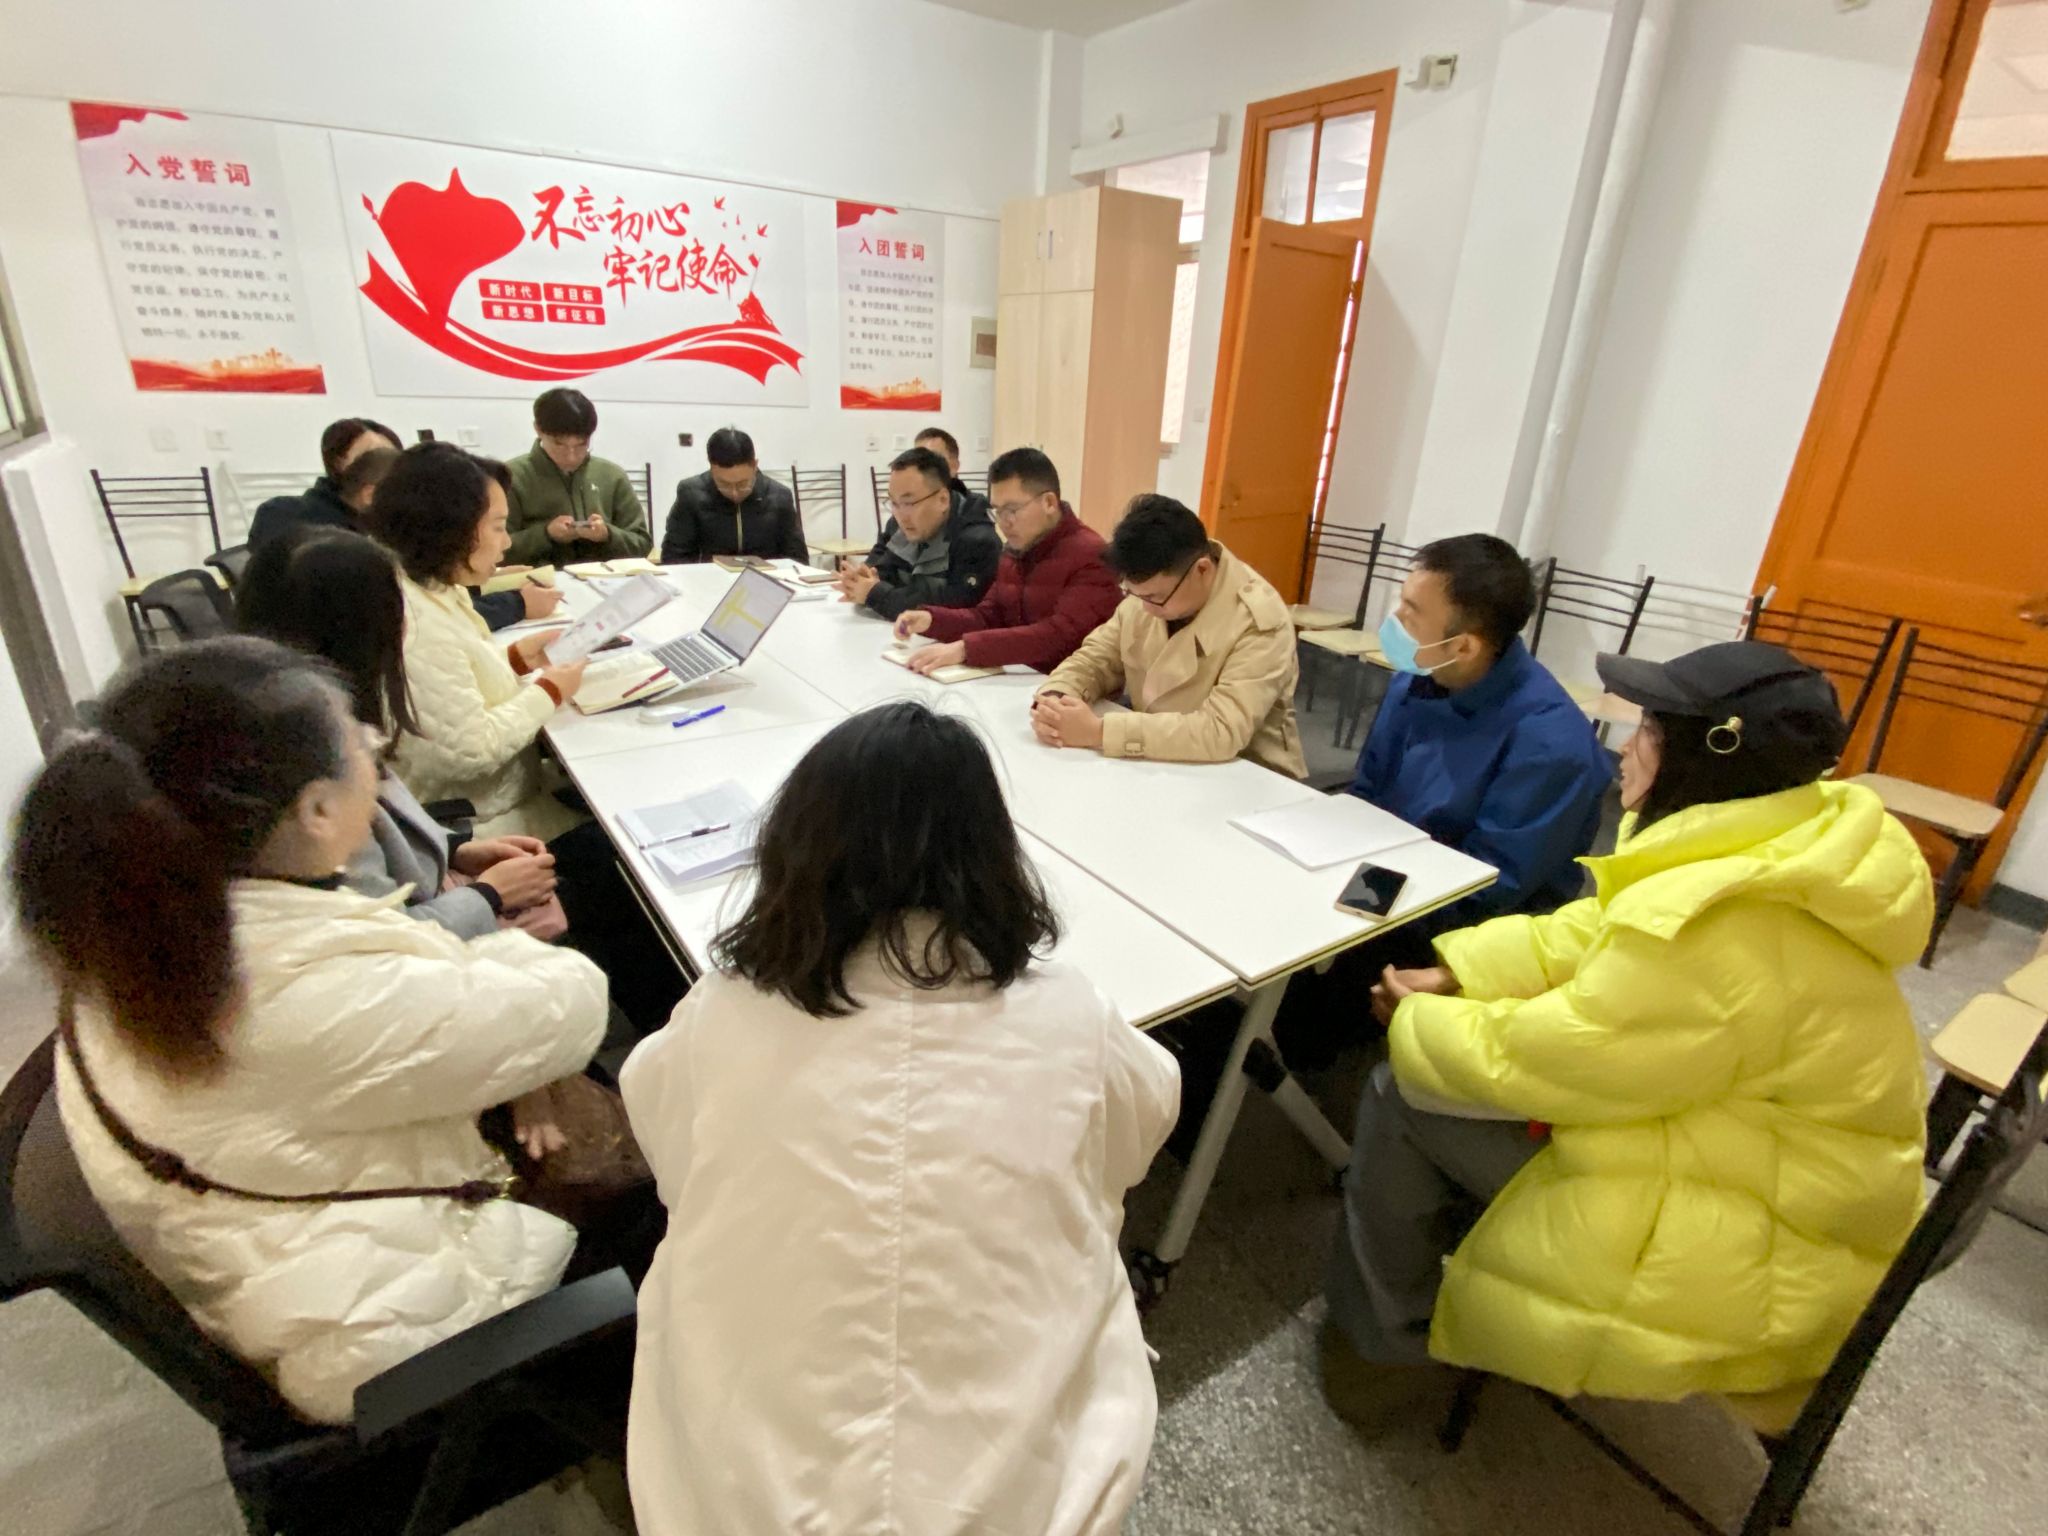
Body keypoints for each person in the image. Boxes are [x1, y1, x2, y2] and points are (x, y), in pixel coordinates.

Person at [1321, 642, 1932, 1433]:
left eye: (1648, 731)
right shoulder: (1778, 842)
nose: (1625, 750)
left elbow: (1564, 1059)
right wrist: (1461, 970)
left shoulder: (1722, 927)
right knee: (1445, 1072)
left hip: (1761, 1230)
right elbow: (1601, 928)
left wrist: (1419, 1021)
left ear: (1712, 756)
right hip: (1765, 1160)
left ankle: (1382, 1355)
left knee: (1401, 1092)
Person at [10, 637, 610, 1425]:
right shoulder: (292, 988)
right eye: (362, 743)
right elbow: (573, 1002)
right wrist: (499, 939)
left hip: (295, 1258)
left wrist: (475, 948)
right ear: (318, 810)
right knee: (683, 1171)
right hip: (391, 1332)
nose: (375, 751)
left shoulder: (146, 924)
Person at [621, 701, 1179, 1535]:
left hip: (731, 1494)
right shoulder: (1072, 1014)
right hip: (1025, 1505)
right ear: (992, 852)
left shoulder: (726, 1008)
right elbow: (1138, 1132)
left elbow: (668, 1153)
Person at [238, 527, 689, 1030]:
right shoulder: (314, 772)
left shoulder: (289, 712)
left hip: (438, 876)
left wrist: (454, 849)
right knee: (620, 875)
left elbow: (390, 830)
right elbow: (385, 945)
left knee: (605, 857)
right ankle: (664, 1034)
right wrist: (488, 895)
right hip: (434, 952)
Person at [1346, 534, 1611, 933]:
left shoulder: (1551, 744)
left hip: (1462, 932)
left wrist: (1360, 910)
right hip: (1383, 886)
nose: (1394, 619)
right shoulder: (1417, 680)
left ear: (1464, 647)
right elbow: (1368, 793)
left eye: (1411, 613)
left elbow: (1488, 887)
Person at [367, 443, 587, 838]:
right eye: (498, 527)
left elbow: (454, 679)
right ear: (449, 529)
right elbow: (471, 751)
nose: (506, 543)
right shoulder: (415, 624)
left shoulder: (432, 586)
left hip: (505, 791)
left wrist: (515, 659)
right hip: (479, 823)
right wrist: (549, 692)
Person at [1032, 494, 1306, 778]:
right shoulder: (1151, 591)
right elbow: (1096, 659)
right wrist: (1056, 700)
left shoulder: (1258, 620)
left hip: (1248, 776)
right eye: (1134, 594)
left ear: (1202, 570)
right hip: (1159, 762)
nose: (1145, 608)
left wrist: (1099, 732)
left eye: (1155, 598)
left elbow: (1221, 731)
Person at [251, 415, 549, 631]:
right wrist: (515, 603)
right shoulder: (306, 528)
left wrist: (487, 576)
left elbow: (431, 590)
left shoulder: (375, 526)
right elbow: (407, 614)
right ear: (339, 464)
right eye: (373, 457)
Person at [889, 447, 1119, 675]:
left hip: (1070, 687)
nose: (1003, 522)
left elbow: (1059, 636)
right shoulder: (1015, 550)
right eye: (997, 511)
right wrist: (932, 620)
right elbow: (988, 616)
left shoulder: (1091, 555)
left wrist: (966, 649)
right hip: (1019, 678)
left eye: (1011, 510)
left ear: (1049, 502)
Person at [835, 444, 1000, 621]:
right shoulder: (900, 524)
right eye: (894, 503)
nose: (900, 516)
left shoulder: (978, 541)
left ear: (942, 500)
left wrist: (876, 594)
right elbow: (883, 567)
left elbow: (953, 606)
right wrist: (862, 579)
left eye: (909, 503)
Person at [503, 387, 653, 567]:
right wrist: (545, 534)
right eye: (559, 444)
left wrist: (607, 535)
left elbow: (642, 544)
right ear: (538, 430)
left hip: (605, 579)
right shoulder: (510, 477)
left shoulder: (612, 476)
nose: (571, 456)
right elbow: (494, 551)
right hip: (538, 581)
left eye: (582, 445)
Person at [247, 417, 399, 552]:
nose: (388, 464)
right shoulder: (282, 513)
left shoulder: (388, 525)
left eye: (396, 458)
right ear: (338, 462)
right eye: (373, 455)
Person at [660, 427, 808, 564]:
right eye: (724, 484)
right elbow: (674, 558)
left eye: (742, 483)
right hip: (710, 579)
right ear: (712, 467)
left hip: (767, 579)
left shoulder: (779, 496)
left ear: (754, 465)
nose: (734, 492)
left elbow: (797, 559)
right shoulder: (691, 494)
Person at [913, 425, 987, 515]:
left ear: (954, 466)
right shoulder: (906, 505)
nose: (923, 466)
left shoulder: (975, 507)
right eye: (918, 459)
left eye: (933, 460)